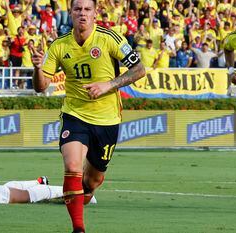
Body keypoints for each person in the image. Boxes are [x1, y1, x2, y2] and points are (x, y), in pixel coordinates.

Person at [30, 0, 146, 232]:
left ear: (95, 13)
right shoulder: (59, 45)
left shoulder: (110, 38)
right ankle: (78, 228)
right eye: (77, 9)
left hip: (107, 119)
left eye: (87, 10)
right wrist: (37, 68)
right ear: (70, 13)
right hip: (75, 114)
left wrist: (109, 84)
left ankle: (80, 195)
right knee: (72, 166)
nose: (82, 14)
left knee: (92, 181)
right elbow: (41, 87)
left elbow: (139, 69)